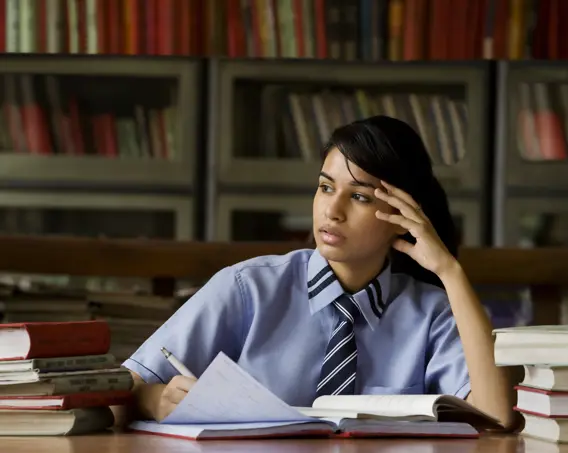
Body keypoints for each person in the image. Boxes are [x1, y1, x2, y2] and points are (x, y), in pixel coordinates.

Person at [122, 115, 513, 428]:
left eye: (358, 196)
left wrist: (449, 270)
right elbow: (125, 388)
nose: (332, 210)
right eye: (326, 188)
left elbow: (496, 415)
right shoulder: (247, 289)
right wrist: (155, 401)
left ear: (402, 217)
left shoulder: (430, 313)